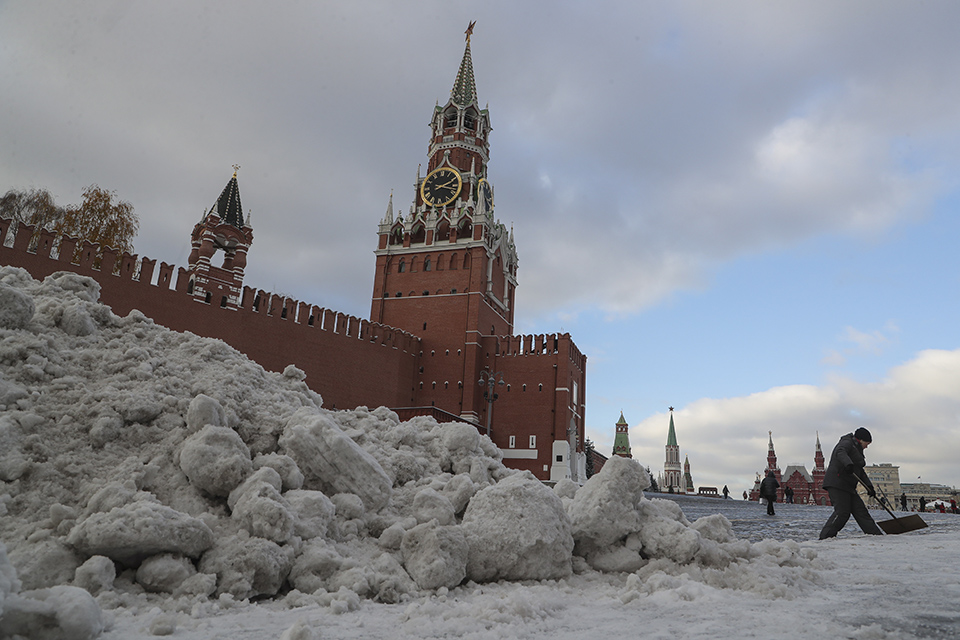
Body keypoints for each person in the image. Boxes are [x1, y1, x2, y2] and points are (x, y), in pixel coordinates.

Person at [819, 427, 884, 539]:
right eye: (867, 443)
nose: (867, 446)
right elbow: (840, 452)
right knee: (842, 512)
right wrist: (848, 464)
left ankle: (876, 535)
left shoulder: (858, 449)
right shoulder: (847, 442)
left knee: (861, 511)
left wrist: (869, 487)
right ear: (861, 440)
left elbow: (860, 471)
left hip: (848, 486)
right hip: (837, 483)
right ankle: (825, 537)